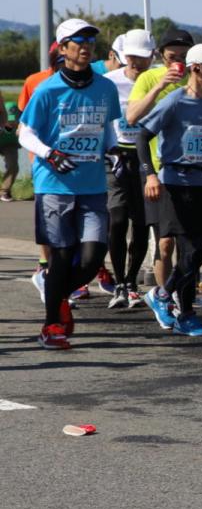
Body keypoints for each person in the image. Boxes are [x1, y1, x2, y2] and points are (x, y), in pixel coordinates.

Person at [18, 18, 120, 349]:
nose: (86, 46)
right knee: (60, 256)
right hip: (54, 185)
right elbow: (25, 133)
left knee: (93, 257)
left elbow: (109, 128)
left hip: (92, 184)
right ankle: (52, 324)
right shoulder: (48, 89)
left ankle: (56, 293)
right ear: (63, 49)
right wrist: (50, 153)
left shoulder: (105, 87)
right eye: (78, 41)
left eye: (90, 40)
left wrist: (116, 150)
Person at [136, 44, 202, 336]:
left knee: (199, 252)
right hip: (175, 182)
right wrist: (150, 175)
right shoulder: (175, 101)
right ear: (196, 69)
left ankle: (162, 294)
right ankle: (186, 313)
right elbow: (142, 135)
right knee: (187, 250)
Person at [126, 29, 198, 301]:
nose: (177, 62)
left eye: (183, 57)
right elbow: (132, 117)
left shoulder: (198, 81)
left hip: (191, 171)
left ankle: (184, 295)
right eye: (171, 57)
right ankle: (164, 297)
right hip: (158, 171)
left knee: (189, 243)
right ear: (160, 56)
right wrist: (159, 86)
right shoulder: (149, 77)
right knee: (164, 242)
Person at [103, 29, 156, 310]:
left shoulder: (157, 81)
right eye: (131, 56)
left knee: (141, 221)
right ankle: (119, 282)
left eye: (142, 57)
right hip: (116, 156)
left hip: (145, 156)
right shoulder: (109, 82)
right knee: (117, 218)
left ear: (152, 57)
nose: (135, 62)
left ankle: (132, 282)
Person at [21, 41, 63, 301]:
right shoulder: (36, 82)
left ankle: (59, 273)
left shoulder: (90, 82)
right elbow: (25, 122)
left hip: (78, 164)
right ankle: (45, 265)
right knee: (49, 218)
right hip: (43, 162)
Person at [0, 100, 18, 202]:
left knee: (13, 165)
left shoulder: (12, 106)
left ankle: (5, 191)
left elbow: (9, 126)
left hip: (10, 143)